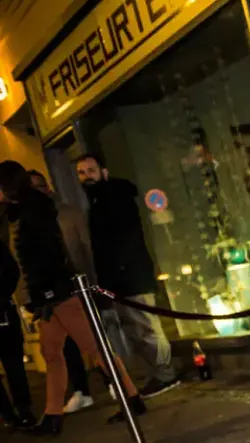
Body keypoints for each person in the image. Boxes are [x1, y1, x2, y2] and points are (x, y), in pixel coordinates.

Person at [0, 160, 143, 436]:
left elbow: (49, 253)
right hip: (48, 296)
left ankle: (132, 397)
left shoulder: (36, 209)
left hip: (58, 293)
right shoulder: (19, 211)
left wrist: (47, 291)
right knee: (52, 353)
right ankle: (53, 416)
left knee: (94, 348)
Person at [75, 154, 183, 391]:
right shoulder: (98, 201)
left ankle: (166, 374)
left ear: (104, 172)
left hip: (131, 277)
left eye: (91, 171)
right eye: (81, 172)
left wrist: (116, 274)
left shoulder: (114, 198)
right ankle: (159, 373)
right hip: (121, 279)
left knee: (145, 328)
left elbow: (125, 240)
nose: (86, 177)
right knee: (137, 330)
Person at [29, 170, 97, 413]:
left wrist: (92, 284)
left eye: (40, 186)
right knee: (59, 350)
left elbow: (87, 250)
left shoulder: (68, 214)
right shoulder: (28, 219)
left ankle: (123, 389)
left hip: (76, 289)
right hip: (53, 295)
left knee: (93, 343)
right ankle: (76, 394)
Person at [0, 224, 36, 430]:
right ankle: (18, 412)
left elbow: (11, 271)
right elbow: (11, 271)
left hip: (3, 311)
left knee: (14, 364)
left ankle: (16, 413)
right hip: (4, 310)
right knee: (14, 365)